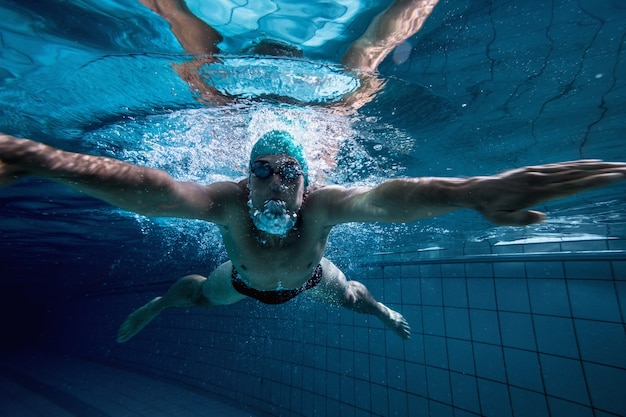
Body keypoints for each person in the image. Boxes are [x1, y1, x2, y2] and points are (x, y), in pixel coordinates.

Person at [1, 131, 625, 342]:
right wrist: (46, 159)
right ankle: (161, 304)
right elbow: (158, 192)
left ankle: (381, 310)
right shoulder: (227, 205)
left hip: (306, 280)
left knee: (353, 298)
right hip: (244, 282)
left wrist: (469, 192)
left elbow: (386, 199)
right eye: (261, 173)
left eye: (287, 174)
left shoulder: (323, 208)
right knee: (192, 292)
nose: (274, 186)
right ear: (246, 180)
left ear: (306, 183)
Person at [139, 0, 440, 109]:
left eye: (262, 170)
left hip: (224, 92)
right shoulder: (339, 107)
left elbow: (167, 9)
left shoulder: (214, 94)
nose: (277, 175)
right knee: (365, 59)